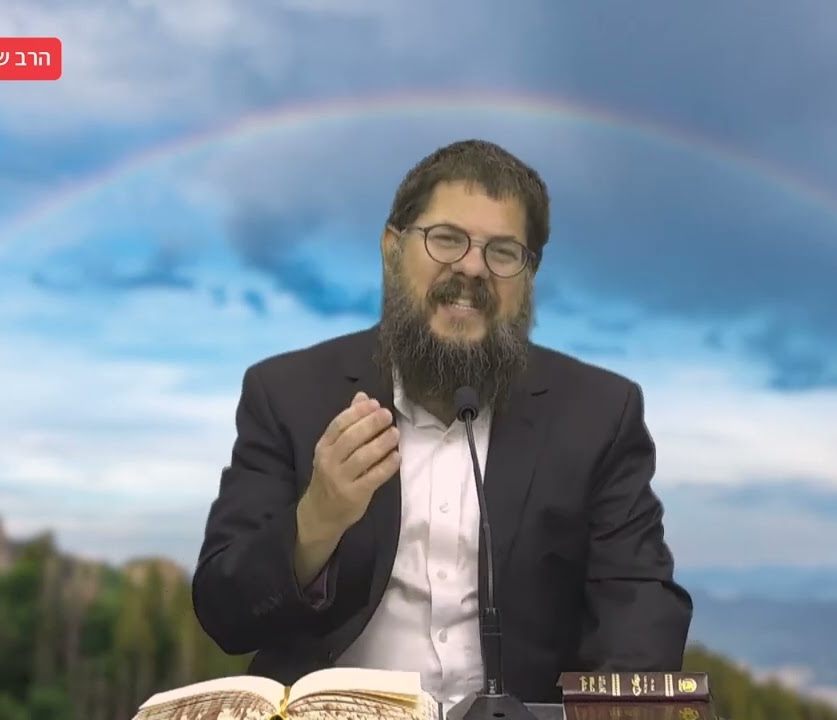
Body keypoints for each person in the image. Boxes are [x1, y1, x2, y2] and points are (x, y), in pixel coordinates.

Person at [192, 139, 693, 709]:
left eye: (503, 252)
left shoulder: (600, 413)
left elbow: (639, 611)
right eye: (447, 239)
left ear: (528, 275)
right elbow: (224, 614)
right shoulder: (288, 394)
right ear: (392, 248)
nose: (473, 267)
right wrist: (317, 520)